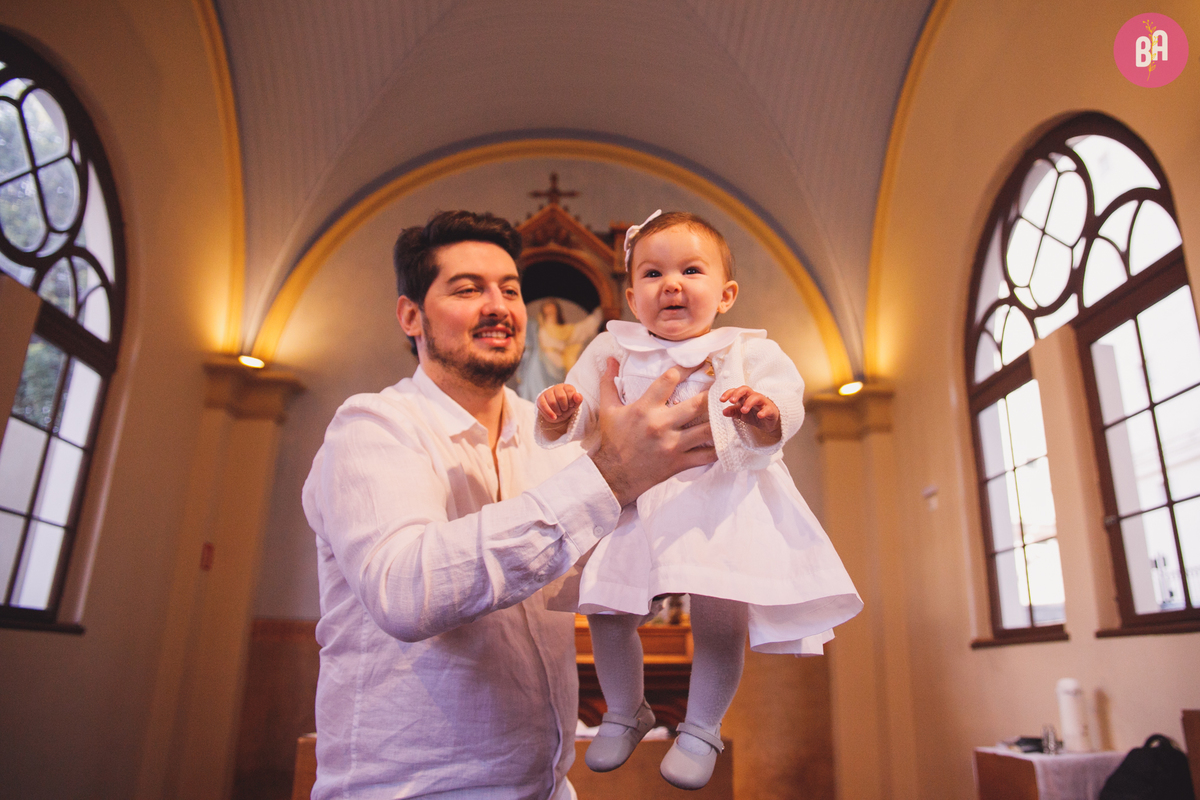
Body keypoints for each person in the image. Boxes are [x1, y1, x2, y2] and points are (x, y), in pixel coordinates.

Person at [301, 209, 717, 800]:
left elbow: (603, 574)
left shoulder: (554, 434)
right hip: (412, 790)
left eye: (511, 290)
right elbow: (406, 592)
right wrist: (612, 475)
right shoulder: (372, 427)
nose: (499, 307)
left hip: (545, 785)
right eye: (467, 289)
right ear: (411, 315)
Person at [535, 210, 863, 790]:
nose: (672, 284)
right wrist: (563, 411)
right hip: (637, 501)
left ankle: (702, 728)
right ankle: (624, 710)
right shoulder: (612, 348)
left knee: (719, 617)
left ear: (726, 294)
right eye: (652, 273)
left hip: (721, 497)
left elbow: (786, 398)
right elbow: (585, 411)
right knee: (608, 609)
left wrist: (768, 414)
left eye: (690, 270)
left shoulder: (747, 351)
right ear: (632, 297)